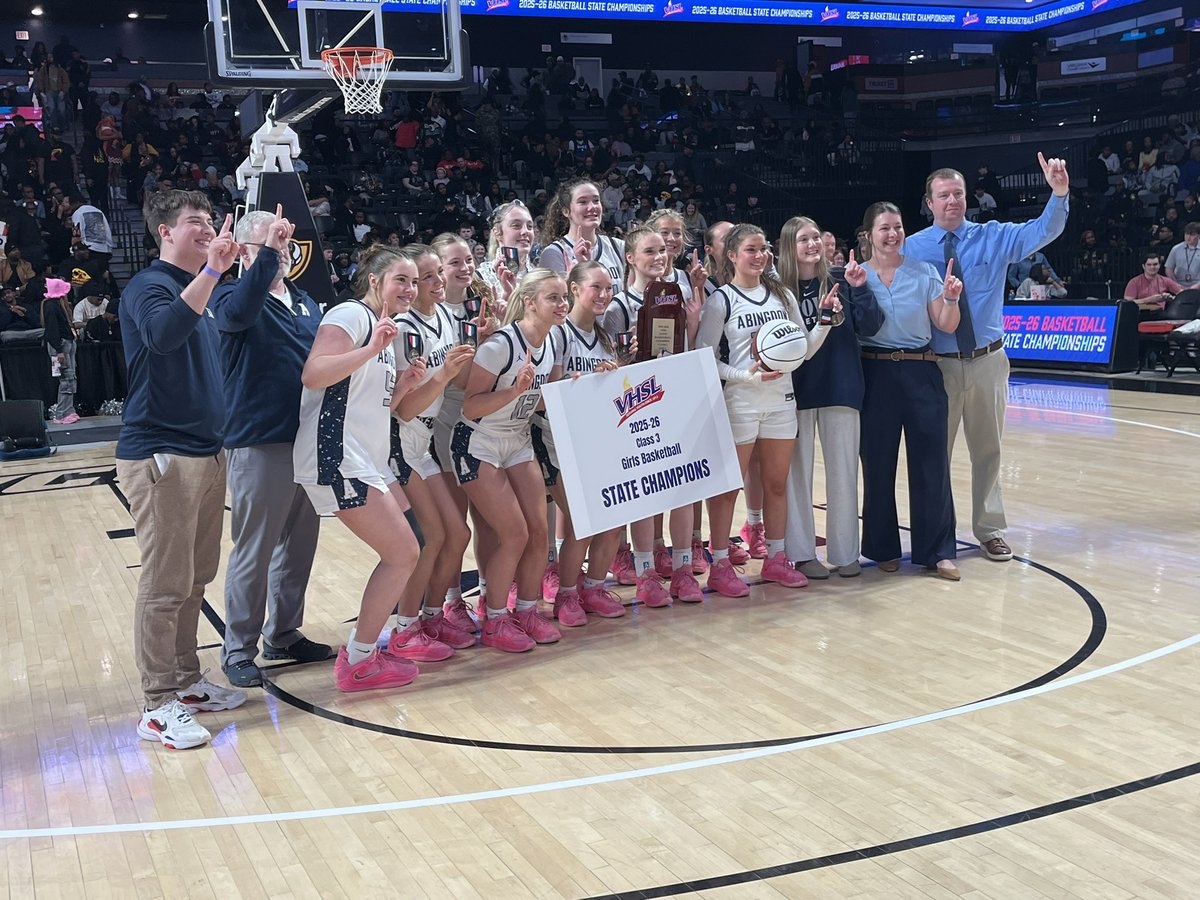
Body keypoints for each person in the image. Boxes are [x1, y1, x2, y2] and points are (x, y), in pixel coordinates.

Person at [118, 190, 247, 750]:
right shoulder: (149, 285)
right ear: (165, 233)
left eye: (211, 222)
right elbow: (163, 336)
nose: (208, 229)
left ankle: (187, 682)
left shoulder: (210, 294)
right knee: (166, 582)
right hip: (160, 451)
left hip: (207, 450)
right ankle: (156, 703)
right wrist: (215, 269)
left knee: (195, 579)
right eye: (195, 222)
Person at [903, 153, 1069, 563]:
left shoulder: (994, 235)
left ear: (967, 198)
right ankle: (937, 534)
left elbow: (1043, 231)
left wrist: (1059, 193)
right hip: (937, 365)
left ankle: (990, 529)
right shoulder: (911, 248)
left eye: (958, 193)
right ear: (929, 202)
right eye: (943, 196)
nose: (952, 201)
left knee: (988, 450)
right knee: (935, 455)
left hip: (987, 360)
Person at [293, 246, 426, 691]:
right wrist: (371, 349)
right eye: (400, 280)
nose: (409, 289)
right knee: (403, 552)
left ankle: (370, 649)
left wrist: (404, 385)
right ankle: (359, 660)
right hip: (336, 451)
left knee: (412, 545)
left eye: (413, 281)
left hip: (366, 455)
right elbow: (314, 374)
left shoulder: (387, 332)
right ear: (374, 281)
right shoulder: (349, 314)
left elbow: (371, 404)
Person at [210, 208, 329, 689]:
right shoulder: (227, 297)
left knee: (300, 545)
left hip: (308, 439)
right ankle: (238, 649)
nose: (282, 252)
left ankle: (283, 633)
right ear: (243, 252)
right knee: (254, 550)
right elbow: (240, 311)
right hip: (260, 441)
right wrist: (263, 260)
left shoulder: (308, 304)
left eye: (285, 245)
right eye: (271, 245)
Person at [696, 224, 834, 596]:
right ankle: (720, 564)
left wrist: (823, 321)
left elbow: (800, 350)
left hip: (781, 403)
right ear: (732, 256)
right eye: (751, 250)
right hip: (739, 403)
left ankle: (775, 558)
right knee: (728, 489)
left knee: (775, 484)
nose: (760, 256)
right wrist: (745, 376)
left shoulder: (781, 295)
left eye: (764, 249)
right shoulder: (720, 300)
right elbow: (704, 359)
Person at [453, 269, 566, 652]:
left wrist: (581, 388)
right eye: (553, 298)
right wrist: (515, 390)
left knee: (538, 533)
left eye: (564, 297)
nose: (562, 304)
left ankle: (528, 610)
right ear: (530, 301)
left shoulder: (552, 344)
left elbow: (541, 401)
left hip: (516, 441)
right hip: (478, 443)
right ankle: (496, 619)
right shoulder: (500, 345)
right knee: (514, 534)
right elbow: (471, 406)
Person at [858, 202, 964, 581]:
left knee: (932, 465)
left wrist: (951, 299)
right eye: (884, 228)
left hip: (922, 371)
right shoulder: (857, 276)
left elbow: (946, 325)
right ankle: (882, 547)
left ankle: (938, 551)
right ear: (869, 234)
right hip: (874, 373)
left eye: (898, 227)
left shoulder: (924, 272)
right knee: (878, 464)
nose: (893, 234)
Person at [604, 227, 705, 607]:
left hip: (675, 399)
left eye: (663, 250)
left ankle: (681, 571)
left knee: (683, 487)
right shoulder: (617, 306)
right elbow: (611, 368)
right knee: (644, 494)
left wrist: (691, 324)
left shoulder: (677, 297)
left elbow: (687, 351)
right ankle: (645, 572)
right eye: (650, 250)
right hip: (637, 407)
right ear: (630, 257)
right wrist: (626, 358)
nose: (659, 256)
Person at [777, 216, 882, 579]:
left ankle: (845, 552)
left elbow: (871, 327)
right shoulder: (777, 291)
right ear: (789, 247)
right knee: (796, 476)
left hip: (841, 386)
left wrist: (862, 289)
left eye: (815, 238)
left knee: (843, 473)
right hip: (795, 391)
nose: (812, 245)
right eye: (803, 239)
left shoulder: (842, 280)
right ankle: (803, 553)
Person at [387, 244, 477, 658]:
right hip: (401, 440)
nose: (439, 281)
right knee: (432, 537)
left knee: (457, 533)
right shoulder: (406, 327)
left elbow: (453, 384)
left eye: (440, 272)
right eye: (429, 276)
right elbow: (405, 407)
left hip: (426, 441)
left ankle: (432, 614)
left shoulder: (443, 316)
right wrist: (444, 374)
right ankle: (406, 628)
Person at [541, 261, 628, 625]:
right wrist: (578, 383)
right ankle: (566, 595)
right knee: (582, 520)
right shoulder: (558, 333)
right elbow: (543, 390)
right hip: (555, 442)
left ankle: (592, 587)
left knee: (615, 516)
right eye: (596, 287)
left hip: (594, 441)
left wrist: (616, 373)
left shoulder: (605, 335)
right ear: (574, 289)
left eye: (609, 289)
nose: (604, 295)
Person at [538, 177, 626, 286]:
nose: (592, 207)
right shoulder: (554, 253)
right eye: (583, 202)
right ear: (566, 211)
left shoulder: (619, 247)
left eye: (596, 201)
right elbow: (555, 300)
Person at [475, 199, 534, 310]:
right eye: (516, 226)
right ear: (498, 233)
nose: (525, 231)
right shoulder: (481, 278)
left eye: (529, 226)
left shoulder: (539, 276)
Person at [40, 277, 79, 425]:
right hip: (60, 345)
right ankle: (62, 413)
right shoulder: (51, 306)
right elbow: (52, 329)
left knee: (70, 376)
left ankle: (68, 410)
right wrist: (58, 350)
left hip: (65, 343)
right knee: (65, 378)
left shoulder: (55, 305)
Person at [1164, 222, 1200, 289]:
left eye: (1192, 235)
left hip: (1197, 285)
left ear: (1199, 236)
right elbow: (1168, 269)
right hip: (1178, 284)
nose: (1188, 237)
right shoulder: (1176, 249)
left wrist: (1197, 286)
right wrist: (1175, 284)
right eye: (1186, 234)